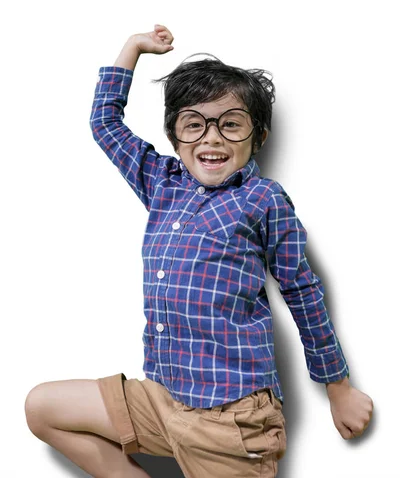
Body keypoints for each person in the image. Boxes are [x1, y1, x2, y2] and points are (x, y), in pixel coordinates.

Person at [25, 24, 373, 478]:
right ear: (175, 136)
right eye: (195, 124)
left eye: (230, 124)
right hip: (164, 399)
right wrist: (133, 48)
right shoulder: (162, 183)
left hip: (232, 419)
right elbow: (105, 124)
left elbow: (302, 290)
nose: (211, 138)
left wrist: (338, 387)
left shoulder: (262, 200)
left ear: (258, 136)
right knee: (42, 407)